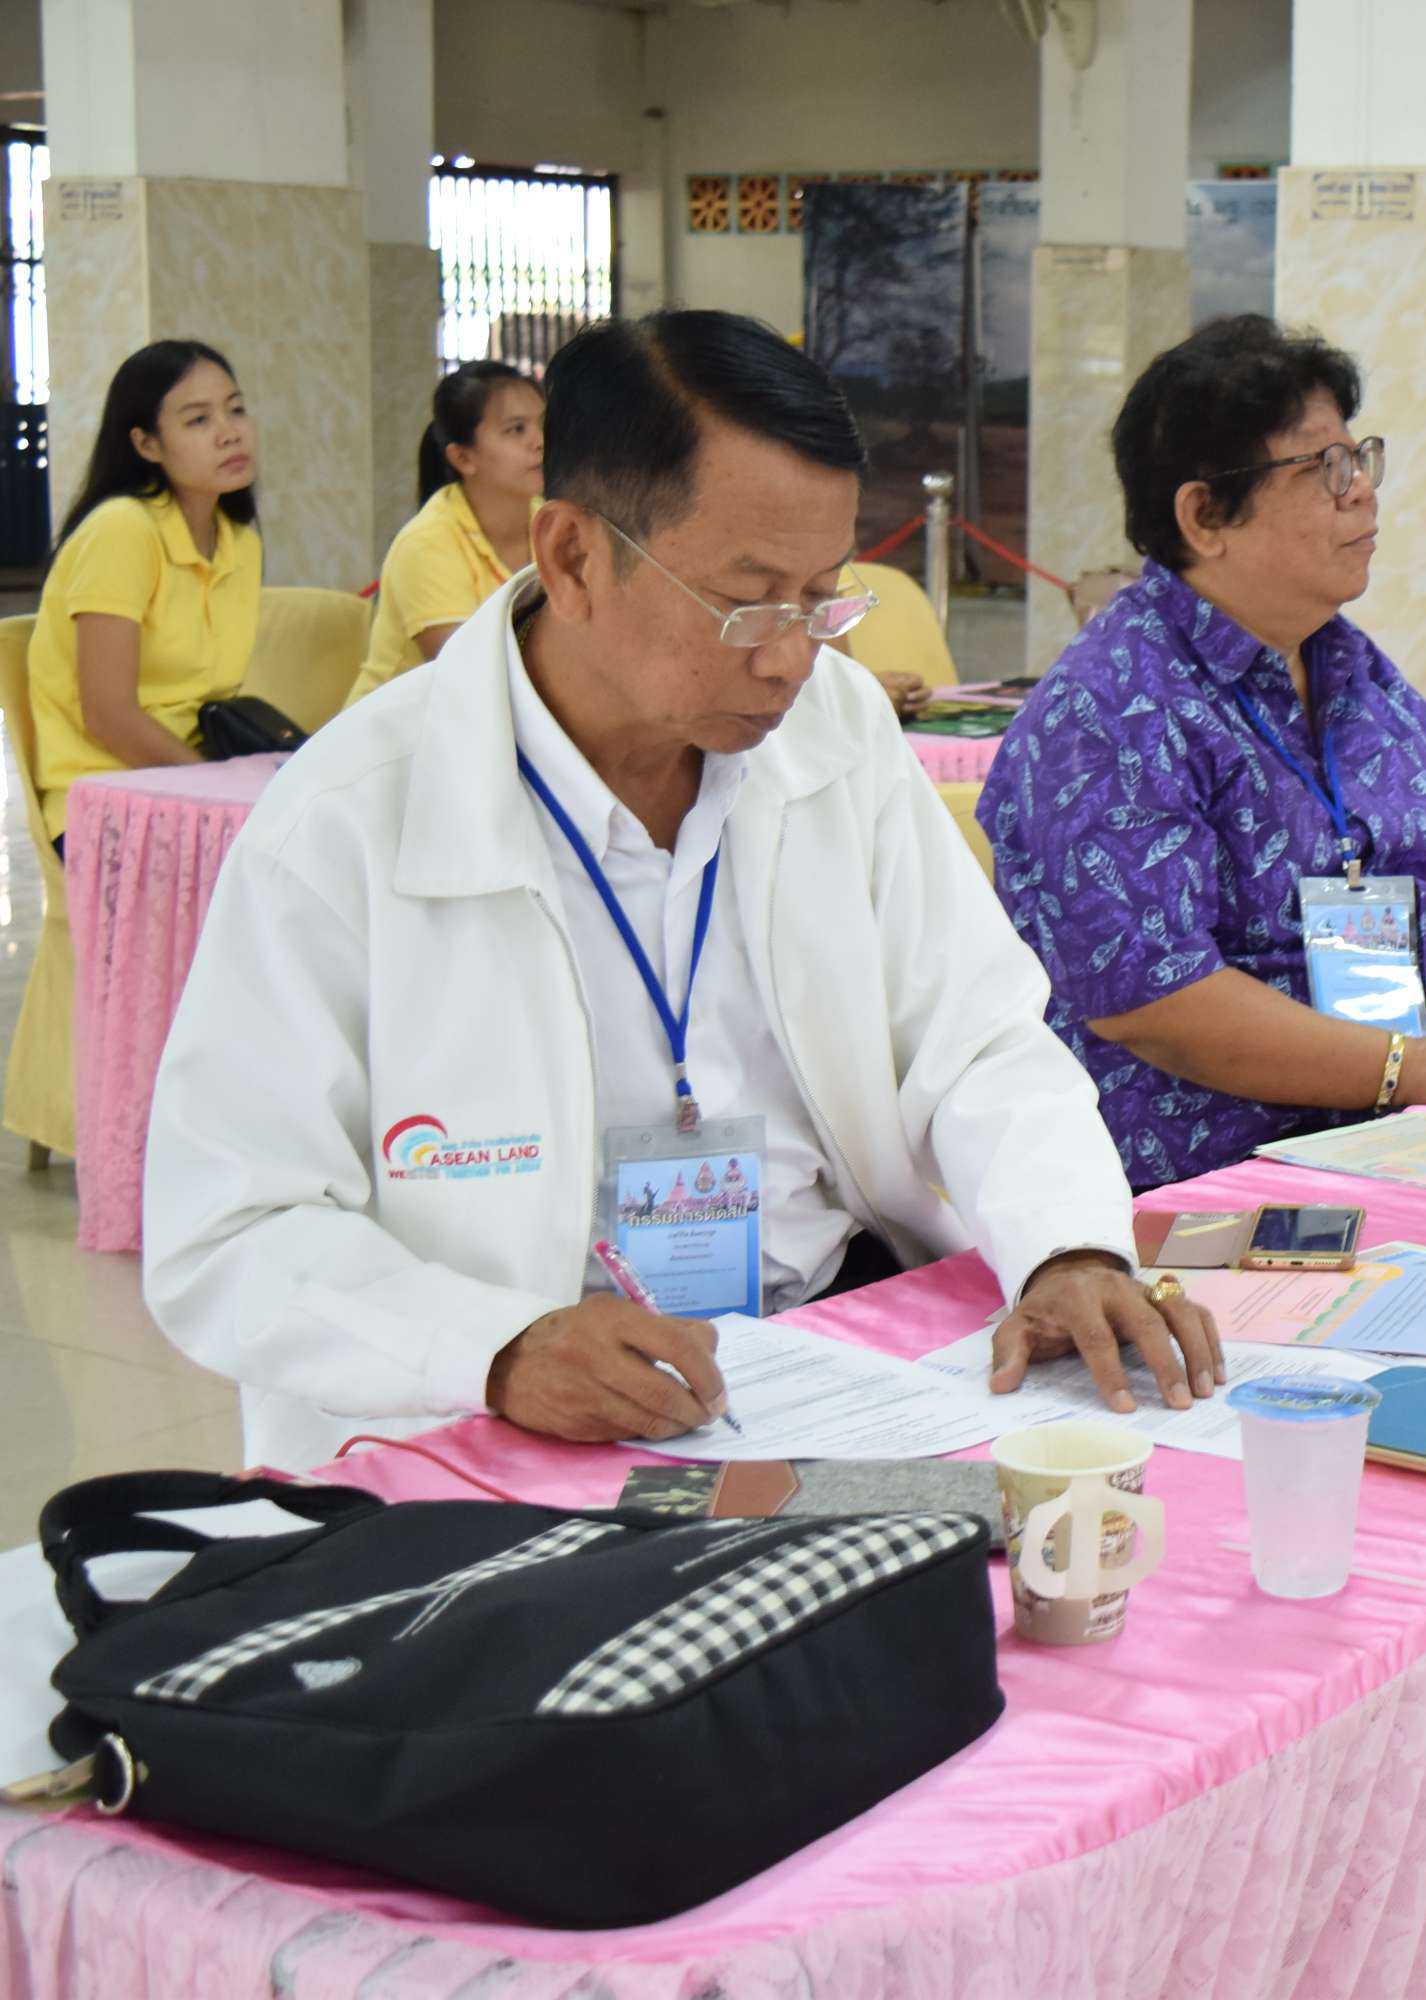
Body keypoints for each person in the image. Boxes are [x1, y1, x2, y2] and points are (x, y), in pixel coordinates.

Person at [143, 310, 1217, 1472]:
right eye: (747, 600)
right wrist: (494, 1345)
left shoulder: (833, 728)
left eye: (822, 598)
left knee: (1098, 1534)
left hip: (828, 1351)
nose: (790, 656)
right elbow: (231, 1229)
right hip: (508, 1405)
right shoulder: (345, 818)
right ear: (571, 556)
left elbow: (977, 1037)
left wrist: (1069, 1247)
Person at [979, 314, 1426, 1192]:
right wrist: (1419, 1069)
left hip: (1420, 1127)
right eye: (1326, 468)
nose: (1364, 492)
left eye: (1361, 457)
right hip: (1218, 1174)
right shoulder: (1107, 711)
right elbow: (1153, 1001)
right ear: (1204, 516)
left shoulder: (1347, 663)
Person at [25, 339, 261, 853]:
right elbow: (108, 715)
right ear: (147, 444)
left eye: (236, 409)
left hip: (190, 782)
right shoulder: (122, 530)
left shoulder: (238, 540)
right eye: (198, 420)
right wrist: (219, 794)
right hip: (104, 798)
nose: (229, 432)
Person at [347, 361, 543, 707]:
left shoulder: (555, 523)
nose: (539, 442)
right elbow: (467, 674)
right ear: (463, 458)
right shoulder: (426, 543)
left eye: (543, 424)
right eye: (517, 429)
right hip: (399, 731)